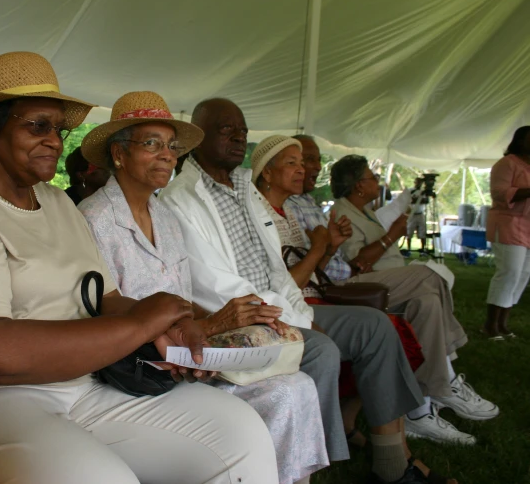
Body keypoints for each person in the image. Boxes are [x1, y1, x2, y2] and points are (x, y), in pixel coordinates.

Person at [0, 52, 279, 484]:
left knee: (241, 431)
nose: (54, 140)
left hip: (89, 382)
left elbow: (106, 298)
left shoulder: (57, 202)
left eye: (59, 129)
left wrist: (170, 331)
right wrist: (143, 324)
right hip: (2, 396)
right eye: (37, 125)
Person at [160, 98, 453, 484]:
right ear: (198, 137)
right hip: (241, 315)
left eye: (243, 131)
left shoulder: (245, 189)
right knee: (319, 348)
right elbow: (216, 286)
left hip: (285, 304)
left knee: (375, 327)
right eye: (225, 129)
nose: (237, 137)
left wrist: (301, 311)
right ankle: (313, 465)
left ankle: (392, 463)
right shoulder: (183, 197)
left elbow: (276, 268)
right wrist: (298, 318)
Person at [79, 91, 328, 484]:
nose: (166, 155)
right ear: (119, 154)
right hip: (138, 371)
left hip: (189, 356)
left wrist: (243, 319)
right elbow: (106, 311)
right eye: (151, 144)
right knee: (284, 394)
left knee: (298, 384)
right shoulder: (93, 219)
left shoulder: (165, 215)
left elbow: (180, 298)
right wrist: (210, 326)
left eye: (171, 146)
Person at [269, 136, 497, 445]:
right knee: (430, 273)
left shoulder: (314, 204)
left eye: (310, 159)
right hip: (338, 286)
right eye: (297, 161)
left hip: (337, 280)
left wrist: (329, 247)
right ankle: (447, 381)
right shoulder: (305, 208)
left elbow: (323, 259)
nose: (312, 167)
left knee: (427, 300)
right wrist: (385, 239)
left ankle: (420, 410)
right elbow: (340, 264)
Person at [485, 125, 530, 339]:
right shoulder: (506, 164)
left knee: (523, 274)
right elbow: (499, 193)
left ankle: (503, 324)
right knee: (509, 272)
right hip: (508, 223)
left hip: (528, 226)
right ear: (521, 141)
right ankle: (490, 325)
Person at [407, 177, 428, 253]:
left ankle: (423, 249)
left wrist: (418, 200)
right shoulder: (411, 191)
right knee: (409, 231)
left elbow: (425, 200)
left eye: (420, 182)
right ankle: (408, 249)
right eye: (417, 182)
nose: (419, 184)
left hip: (420, 213)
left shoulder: (423, 192)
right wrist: (418, 200)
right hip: (412, 214)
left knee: (422, 231)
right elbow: (410, 200)